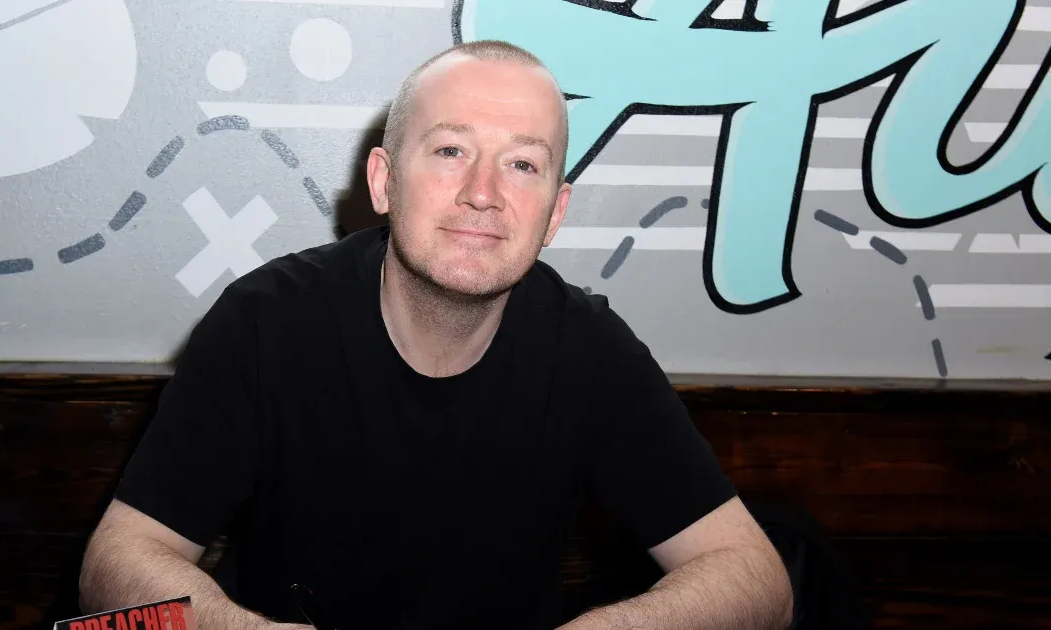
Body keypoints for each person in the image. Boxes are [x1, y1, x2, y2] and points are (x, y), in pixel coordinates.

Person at [78, 39, 794, 629]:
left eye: (523, 164)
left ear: (554, 213)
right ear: (384, 181)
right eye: (451, 150)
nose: (483, 192)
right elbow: (113, 567)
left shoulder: (590, 349)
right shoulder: (265, 322)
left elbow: (759, 581)